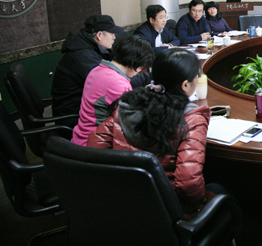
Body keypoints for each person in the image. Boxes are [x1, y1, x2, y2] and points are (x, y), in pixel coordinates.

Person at [88, 48, 214, 217]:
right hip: (167, 209)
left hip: (122, 204)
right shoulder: (191, 117)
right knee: (220, 191)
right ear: (185, 85)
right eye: (196, 76)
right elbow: (188, 181)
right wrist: (197, 206)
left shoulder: (128, 105)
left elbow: (94, 148)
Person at [71, 36, 154, 146]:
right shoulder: (117, 83)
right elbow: (131, 123)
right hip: (94, 146)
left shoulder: (97, 70)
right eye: (141, 67)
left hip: (79, 138)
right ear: (135, 64)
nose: (138, 71)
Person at [51, 15, 121, 127]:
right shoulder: (83, 56)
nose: (114, 37)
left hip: (80, 109)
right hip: (75, 118)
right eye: (111, 33)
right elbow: (108, 84)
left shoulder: (88, 47)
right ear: (99, 35)